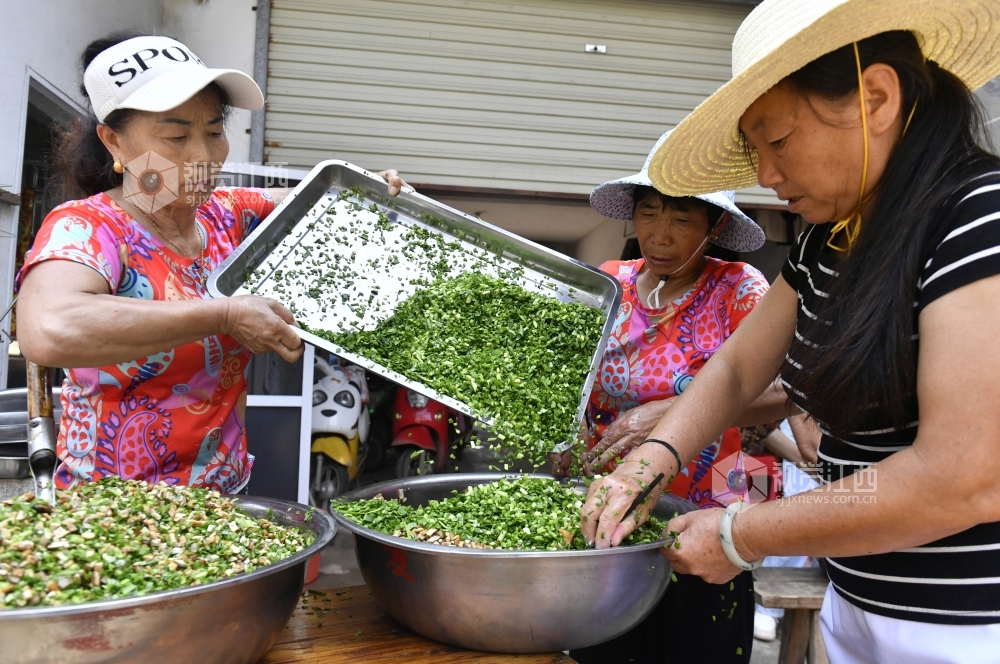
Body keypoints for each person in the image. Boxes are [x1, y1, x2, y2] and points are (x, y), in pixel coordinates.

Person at [581, 1, 1000, 661]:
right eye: (756, 151)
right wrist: (652, 461)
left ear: (876, 98)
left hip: (965, 632)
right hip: (856, 604)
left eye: (777, 142)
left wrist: (741, 535)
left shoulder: (979, 221)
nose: (767, 177)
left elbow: (961, 477)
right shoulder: (829, 243)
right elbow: (738, 369)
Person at [15, 32, 409, 493]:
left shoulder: (225, 211)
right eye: (177, 135)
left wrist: (374, 188)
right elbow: (49, 329)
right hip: (113, 507)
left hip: (221, 499)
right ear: (114, 142)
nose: (203, 156)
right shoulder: (89, 226)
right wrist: (224, 314)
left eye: (214, 132)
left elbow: (325, 201)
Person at [568, 129, 771, 664]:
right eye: (650, 213)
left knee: (697, 646)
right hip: (609, 506)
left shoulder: (738, 289)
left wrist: (668, 412)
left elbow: (782, 386)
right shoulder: (611, 284)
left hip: (704, 513)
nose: (660, 235)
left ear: (715, 226)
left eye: (682, 219)